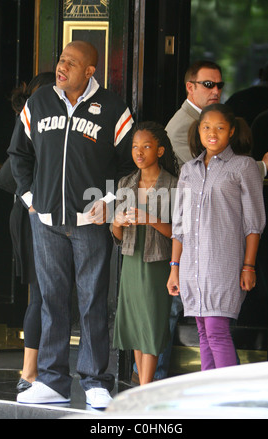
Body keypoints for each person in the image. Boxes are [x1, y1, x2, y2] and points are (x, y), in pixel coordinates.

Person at [8, 40, 134, 409]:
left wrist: (108, 203)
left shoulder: (113, 108)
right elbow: (19, 154)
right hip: (45, 220)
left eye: (71, 63)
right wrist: (31, 199)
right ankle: (52, 380)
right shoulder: (40, 101)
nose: (61, 67)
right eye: (60, 59)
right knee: (52, 301)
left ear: (90, 71)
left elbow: (129, 166)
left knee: (93, 300)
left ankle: (95, 381)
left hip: (90, 223)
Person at [167, 103, 266, 370]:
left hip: (223, 265)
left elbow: (253, 224)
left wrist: (249, 265)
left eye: (220, 128)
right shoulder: (189, 169)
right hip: (191, 266)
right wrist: (174, 268)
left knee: (216, 331)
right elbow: (180, 224)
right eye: (206, 127)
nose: (213, 133)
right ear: (198, 130)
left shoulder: (243, 167)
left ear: (231, 131)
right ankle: (209, 396)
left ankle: (227, 400)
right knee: (203, 332)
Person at [0, 72, 56, 393]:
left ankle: (37, 371)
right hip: (32, 216)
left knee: (48, 296)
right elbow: (9, 177)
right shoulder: (35, 125)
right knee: (42, 296)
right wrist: (31, 198)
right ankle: (30, 372)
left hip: (38, 215)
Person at [112, 121, 178, 385]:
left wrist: (149, 218)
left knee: (151, 327)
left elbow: (179, 232)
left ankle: (145, 391)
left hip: (157, 264)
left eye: (146, 147)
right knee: (136, 327)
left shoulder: (173, 185)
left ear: (160, 151)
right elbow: (116, 237)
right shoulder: (125, 183)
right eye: (135, 147)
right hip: (130, 261)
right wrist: (116, 222)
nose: (139, 152)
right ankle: (143, 388)